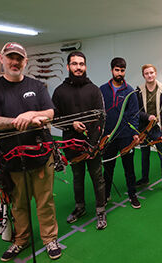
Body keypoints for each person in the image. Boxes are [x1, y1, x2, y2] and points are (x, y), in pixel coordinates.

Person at [0, 42, 61, 261]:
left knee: (45, 201)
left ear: (26, 61)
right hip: (12, 158)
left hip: (42, 155)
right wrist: (17, 121)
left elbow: (50, 113)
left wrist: (32, 113)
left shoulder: (37, 85)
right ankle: (21, 240)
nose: (15, 62)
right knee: (19, 204)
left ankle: (49, 238)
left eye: (19, 58)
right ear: (1, 58)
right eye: (10, 57)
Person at [52, 51, 107, 230]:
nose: (78, 67)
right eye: (74, 64)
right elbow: (55, 119)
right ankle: (80, 207)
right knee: (77, 177)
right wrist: (71, 125)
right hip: (72, 145)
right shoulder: (60, 92)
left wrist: (94, 142)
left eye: (81, 64)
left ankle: (100, 210)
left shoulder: (94, 89)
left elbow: (101, 117)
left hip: (92, 144)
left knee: (97, 178)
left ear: (85, 66)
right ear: (68, 67)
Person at [100, 57, 141, 209]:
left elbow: (134, 114)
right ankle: (105, 195)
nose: (119, 73)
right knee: (108, 168)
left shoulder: (130, 91)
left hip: (126, 137)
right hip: (108, 137)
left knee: (129, 168)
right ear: (111, 70)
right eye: (117, 70)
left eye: (122, 70)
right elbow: (99, 113)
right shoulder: (102, 90)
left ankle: (132, 194)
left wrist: (135, 133)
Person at [135, 64, 162, 195]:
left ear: (155, 73)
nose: (149, 75)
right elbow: (137, 111)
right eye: (146, 73)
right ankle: (145, 178)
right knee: (144, 155)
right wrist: (148, 116)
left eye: (151, 72)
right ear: (143, 75)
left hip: (159, 129)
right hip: (144, 128)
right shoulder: (138, 91)